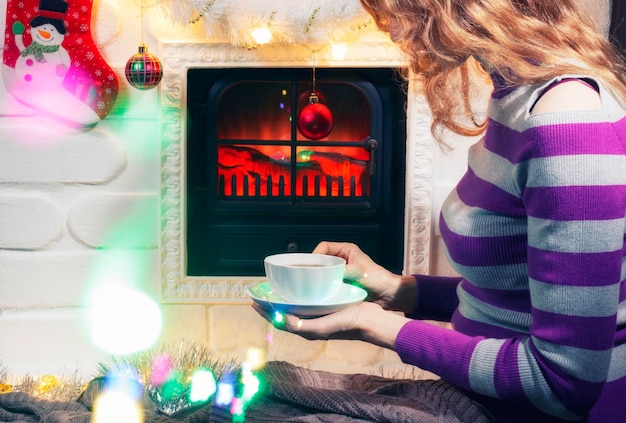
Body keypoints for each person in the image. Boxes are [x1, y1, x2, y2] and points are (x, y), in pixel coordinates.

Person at [252, 1, 626, 422]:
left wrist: (375, 325)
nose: (393, 32)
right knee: (266, 391)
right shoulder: (517, 94)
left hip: (532, 413)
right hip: (482, 397)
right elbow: (513, 299)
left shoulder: (567, 120)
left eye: (396, 10)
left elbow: (562, 384)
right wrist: (398, 290)